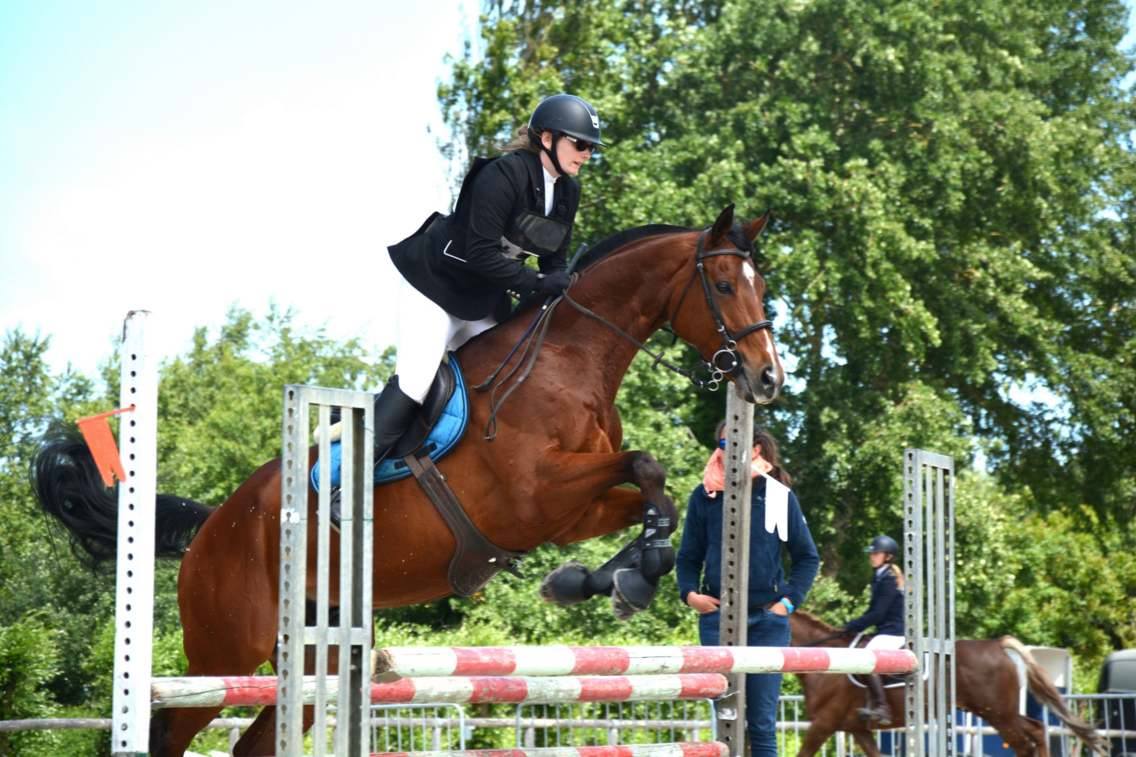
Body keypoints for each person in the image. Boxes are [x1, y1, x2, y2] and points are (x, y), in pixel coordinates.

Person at [381, 93, 602, 463]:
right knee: (416, 382)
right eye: (579, 144)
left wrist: (561, 291)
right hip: (435, 287)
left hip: (483, 298)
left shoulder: (568, 191)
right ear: (547, 139)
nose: (586, 154)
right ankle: (348, 477)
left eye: (592, 148)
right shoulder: (502, 175)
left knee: (508, 381)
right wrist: (535, 284)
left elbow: (554, 261)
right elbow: (480, 252)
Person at [676, 423, 819, 757]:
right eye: (721, 442)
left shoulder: (778, 495)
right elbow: (687, 558)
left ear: (755, 449)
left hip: (767, 622)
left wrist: (787, 603)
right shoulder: (704, 495)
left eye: (733, 441)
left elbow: (807, 558)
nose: (724, 448)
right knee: (727, 720)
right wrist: (689, 595)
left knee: (761, 725)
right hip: (716, 619)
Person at [843, 534, 906, 725]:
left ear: (887, 557)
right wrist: (854, 625)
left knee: (866, 659)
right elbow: (873, 610)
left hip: (893, 632)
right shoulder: (879, 576)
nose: (872, 556)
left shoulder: (888, 579)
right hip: (884, 630)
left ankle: (882, 707)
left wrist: (855, 625)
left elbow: (878, 613)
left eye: (876, 553)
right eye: (871, 553)